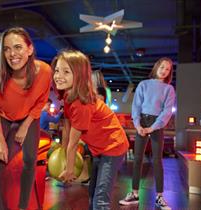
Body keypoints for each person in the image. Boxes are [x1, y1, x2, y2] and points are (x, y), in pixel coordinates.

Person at [0, 27, 52, 210]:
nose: (12, 54)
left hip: (29, 115)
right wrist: (0, 140)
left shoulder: (44, 72)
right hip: (2, 115)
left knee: (30, 159)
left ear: (29, 49)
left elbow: (41, 101)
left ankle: (22, 207)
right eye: (6, 49)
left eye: (18, 47)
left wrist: (24, 126)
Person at [51, 49, 129, 210]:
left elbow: (74, 143)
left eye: (66, 72)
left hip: (113, 147)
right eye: (57, 70)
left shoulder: (81, 103)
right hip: (99, 149)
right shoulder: (67, 95)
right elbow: (66, 123)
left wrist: (69, 169)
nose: (58, 75)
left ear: (79, 75)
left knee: (100, 199)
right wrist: (63, 149)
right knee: (93, 194)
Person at [119, 57, 176, 210]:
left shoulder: (169, 89)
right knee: (137, 159)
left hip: (157, 123)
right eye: (162, 67)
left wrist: (153, 127)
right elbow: (136, 106)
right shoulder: (144, 84)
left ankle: (159, 197)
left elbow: (167, 112)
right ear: (157, 66)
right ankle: (134, 193)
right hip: (142, 121)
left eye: (168, 69)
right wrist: (138, 125)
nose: (164, 71)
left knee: (157, 160)